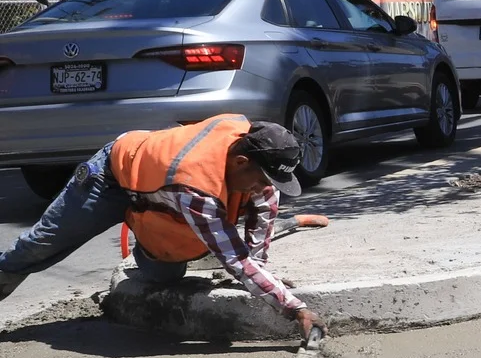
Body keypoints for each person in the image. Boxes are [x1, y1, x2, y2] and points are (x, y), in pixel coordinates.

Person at [0, 115, 323, 341]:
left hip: (159, 191)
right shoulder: (195, 188)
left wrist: (262, 270)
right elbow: (236, 260)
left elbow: (261, 216)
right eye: (260, 180)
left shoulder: (253, 157)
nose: (263, 188)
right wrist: (295, 308)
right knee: (41, 244)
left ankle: (144, 227)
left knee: (163, 276)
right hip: (110, 177)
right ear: (240, 162)